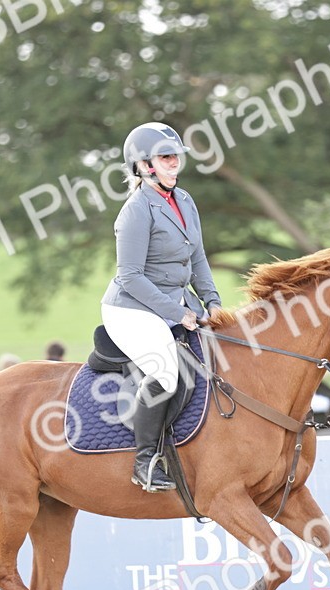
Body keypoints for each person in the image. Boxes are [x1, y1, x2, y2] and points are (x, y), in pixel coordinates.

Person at [101, 122, 222, 491]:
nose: (175, 162)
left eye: (176, 155)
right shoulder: (137, 210)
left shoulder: (184, 200)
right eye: (166, 157)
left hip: (173, 302)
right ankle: (145, 461)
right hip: (132, 308)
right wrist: (178, 312)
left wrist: (212, 301)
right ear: (144, 165)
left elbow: (197, 257)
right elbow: (130, 277)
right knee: (168, 372)